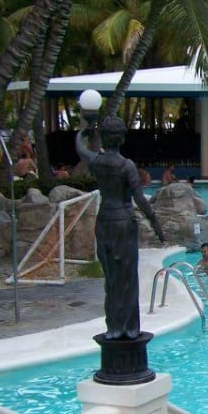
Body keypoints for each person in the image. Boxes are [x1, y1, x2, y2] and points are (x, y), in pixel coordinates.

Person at [76, 116, 165, 340]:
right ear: (122, 138)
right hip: (124, 223)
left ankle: (114, 327)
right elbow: (140, 200)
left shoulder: (97, 162)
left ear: (105, 138)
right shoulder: (127, 166)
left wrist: (83, 133)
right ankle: (130, 327)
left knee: (112, 279)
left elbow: (81, 149)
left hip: (104, 220)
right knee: (128, 278)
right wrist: (155, 222)